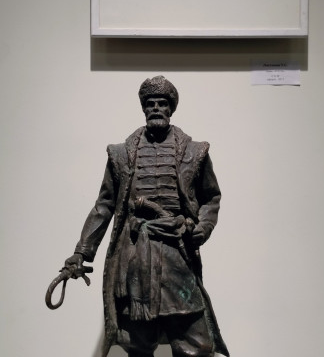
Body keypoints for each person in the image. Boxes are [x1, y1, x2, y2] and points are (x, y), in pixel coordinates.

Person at [64, 76, 229, 357]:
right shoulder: (120, 155)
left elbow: (211, 197)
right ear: (143, 108)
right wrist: (82, 252)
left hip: (176, 251)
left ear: (171, 108)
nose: (156, 108)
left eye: (162, 103)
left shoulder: (195, 152)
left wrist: (205, 225)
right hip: (134, 254)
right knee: (137, 341)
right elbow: (104, 205)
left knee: (196, 343)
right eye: (150, 103)